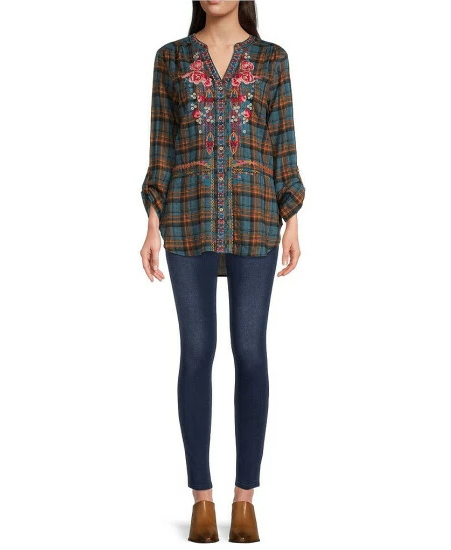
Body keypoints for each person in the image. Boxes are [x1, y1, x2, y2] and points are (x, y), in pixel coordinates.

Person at [140, 0, 305, 543]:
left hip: (255, 216)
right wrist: (151, 223)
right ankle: (202, 500)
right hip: (185, 217)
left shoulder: (272, 60)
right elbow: (161, 148)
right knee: (196, 352)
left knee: (250, 351)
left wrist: (293, 218)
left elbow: (283, 144)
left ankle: (245, 499)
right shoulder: (170, 59)